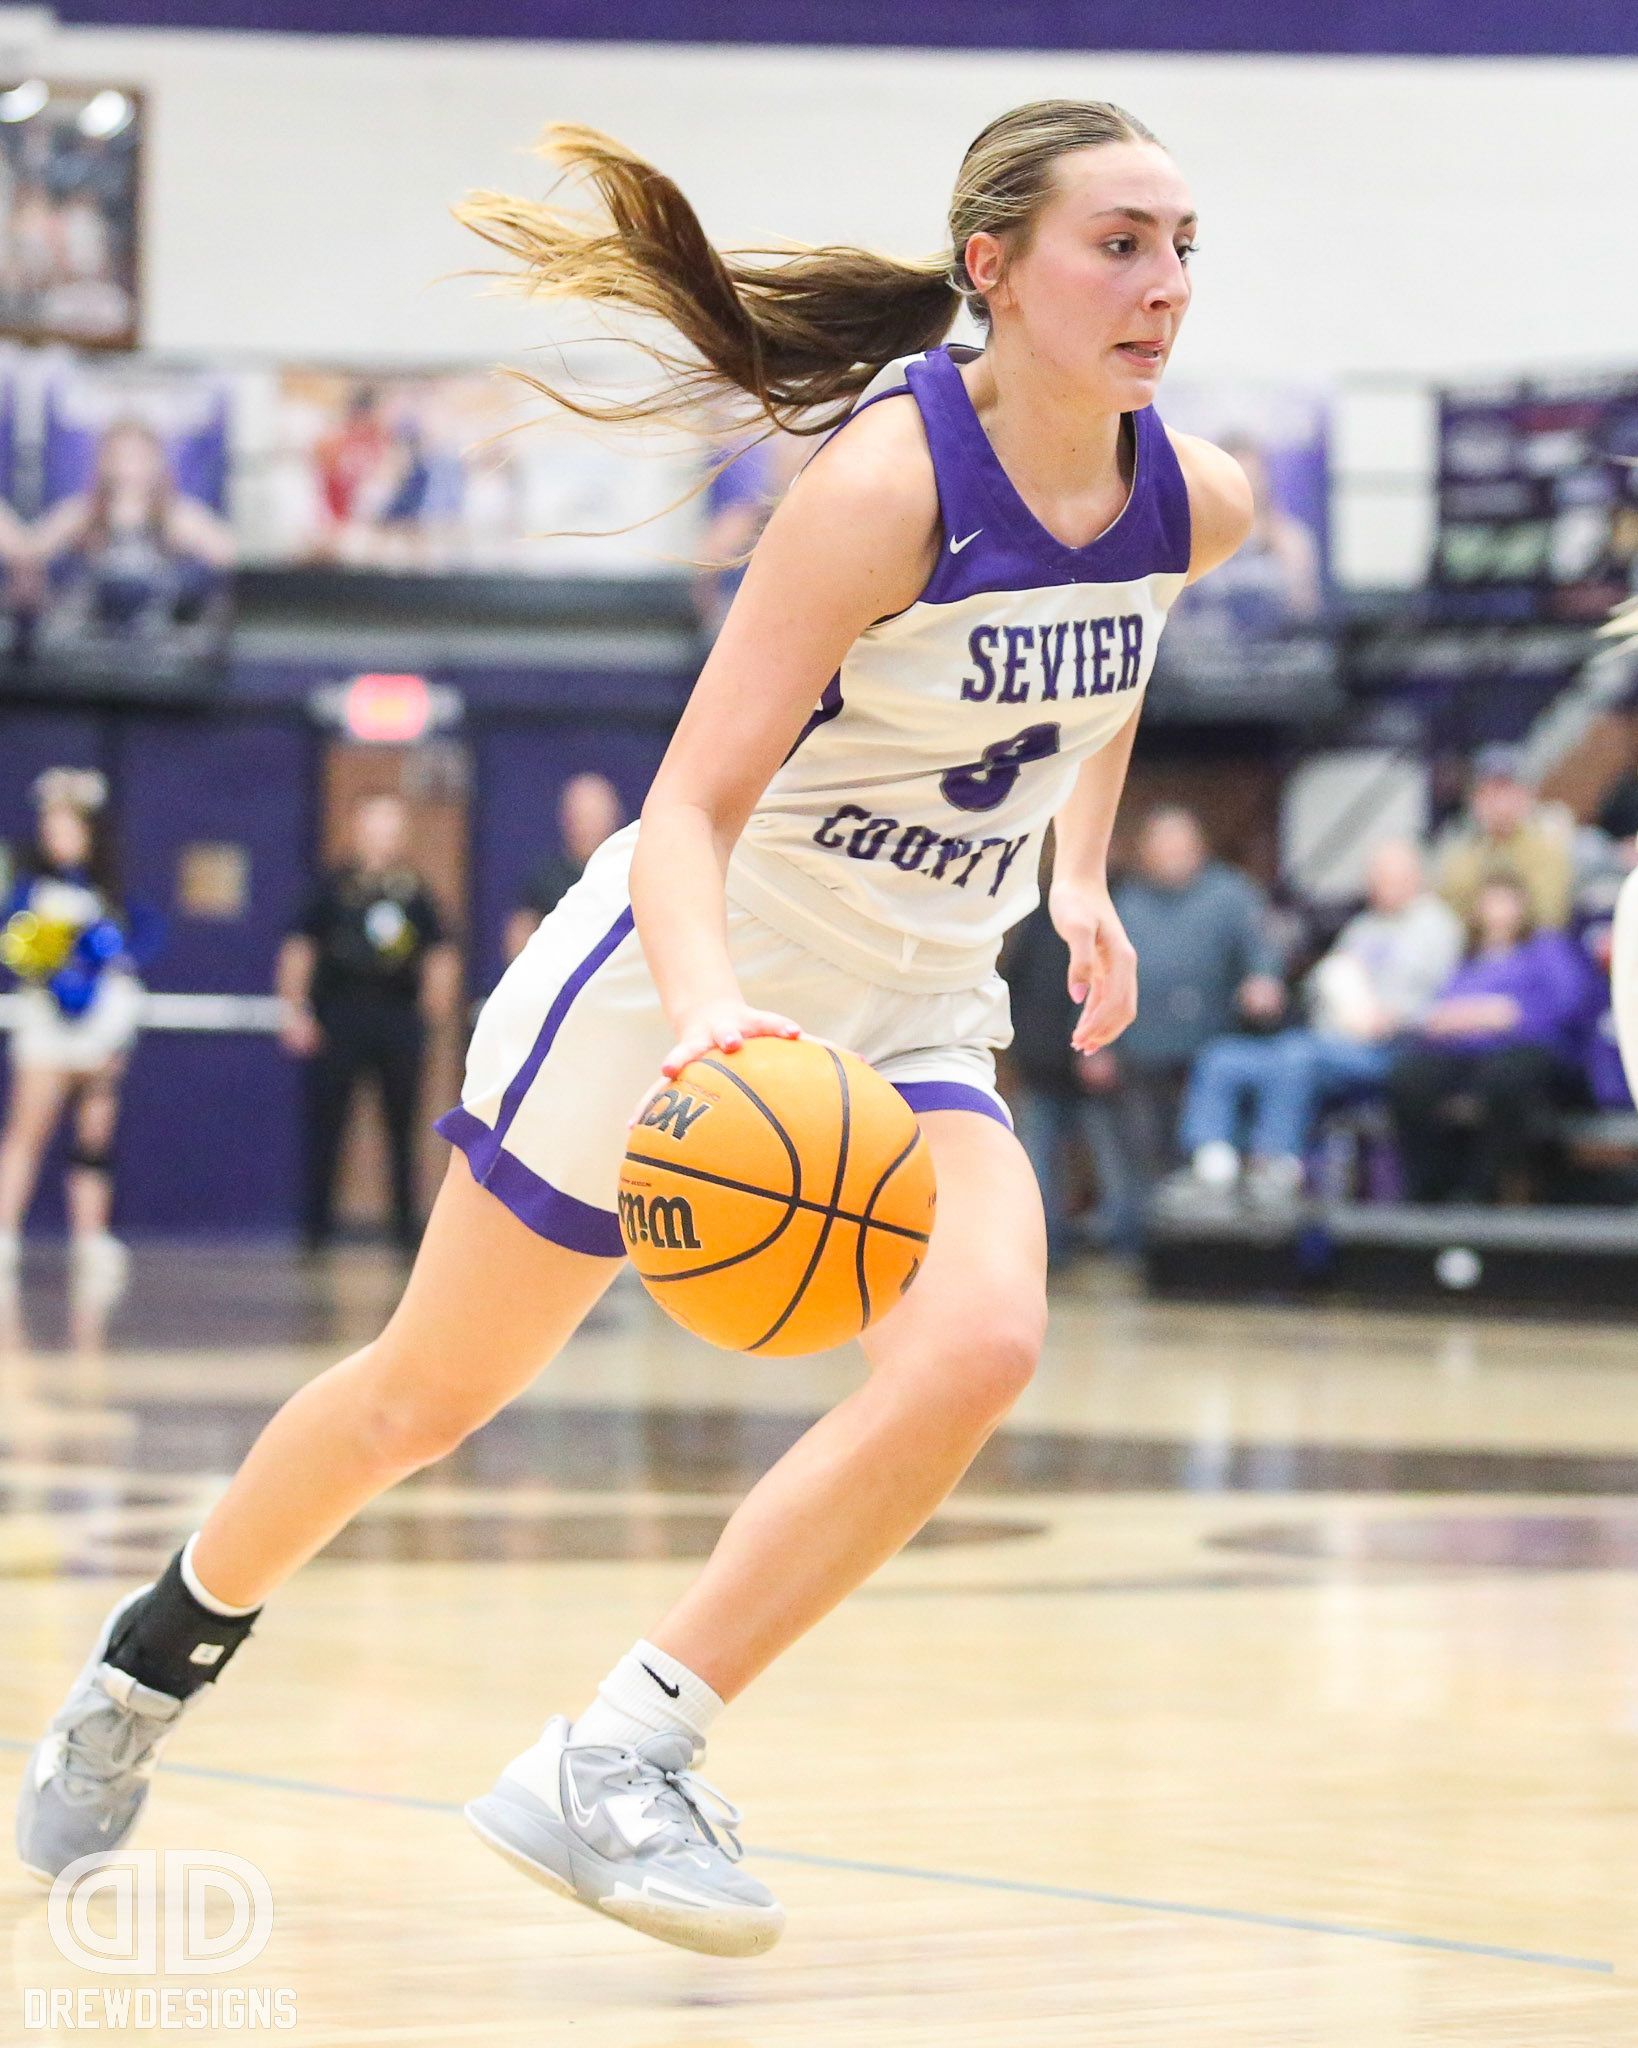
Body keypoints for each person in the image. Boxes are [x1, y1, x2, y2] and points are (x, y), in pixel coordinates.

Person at [19, 102, 1252, 1954]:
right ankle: (151, 1659)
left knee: (982, 1340)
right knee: (423, 1399)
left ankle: (623, 1747)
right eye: (1120, 243)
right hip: (687, 968)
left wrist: (1077, 871)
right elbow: (684, 809)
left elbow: (1110, 650)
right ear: (990, 267)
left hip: (916, 997)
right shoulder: (882, 487)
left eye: (1181, 247)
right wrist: (710, 1019)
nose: (1163, 284)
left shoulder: (1195, 497)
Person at [1178, 838, 1462, 1202]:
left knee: (1298, 1055)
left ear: (1416, 878)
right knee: (1224, 1056)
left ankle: (1276, 1166)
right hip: (1326, 1039)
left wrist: (1393, 1017)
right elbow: (1327, 980)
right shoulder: (1364, 926)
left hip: (1389, 1050)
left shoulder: (1436, 926)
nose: (1381, 887)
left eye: (1392, 878)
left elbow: (1446, 998)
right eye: (1376, 878)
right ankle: (1212, 1167)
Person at [277, 794, 460, 1252]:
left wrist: (432, 1013)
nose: (381, 837)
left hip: (396, 1017)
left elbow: (440, 954)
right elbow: (300, 948)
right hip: (339, 1016)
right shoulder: (332, 888)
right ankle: (316, 1229)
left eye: (390, 828)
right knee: (328, 1122)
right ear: (357, 831)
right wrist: (296, 1010)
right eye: (373, 826)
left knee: (403, 1124)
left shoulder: (415, 892)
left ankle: (404, 1228)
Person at [0, 767, 159, 1291]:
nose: (58, 837)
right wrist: (46, 961)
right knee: (27, 1129)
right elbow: (14, 942)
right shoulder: (28, 889)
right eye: (51, 827)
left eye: (69, 826)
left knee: (94, 1137)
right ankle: (5, 1233)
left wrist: (109, 953)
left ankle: (91, 1235)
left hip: (100, 1029)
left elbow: (143, 937)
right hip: (47, 1023)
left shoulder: (110, 893)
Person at [1103, 806, 1284, 1242]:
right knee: (1143, 1153)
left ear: (1199, 848)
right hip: (1139, 1052)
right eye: (1162, 847)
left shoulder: (1231, 894)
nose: (1172, 856)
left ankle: (1206, 1246)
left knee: (1204, 1153)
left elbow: (1261, 951)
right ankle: (1147, 1246)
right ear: (1145, 853)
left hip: (1208, 1054)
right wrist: (1095, 1044)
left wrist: (1264, 980)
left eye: (1180, 847)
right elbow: (1096, 973)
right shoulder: (1124, 901)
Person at [1387, 871, 1596, 1203]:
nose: (1498, 911)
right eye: (1490, 902)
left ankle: (1484, 1190)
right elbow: (1442, 1006)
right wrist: (1452, 1019)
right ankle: (1428, 1189)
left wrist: (1511, 1014)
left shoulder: (1546, 948)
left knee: (1504, 1079)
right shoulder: (1468, 958)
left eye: (1505, 901)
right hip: (1464, 1049)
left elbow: (1570, 1001)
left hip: (1529, 1047)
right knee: (1410, 1077)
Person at [1001, 900, 1132, 1263]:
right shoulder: (1041, 921)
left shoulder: (1108, 914)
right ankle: (1051, 1244)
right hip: (1045, 1065)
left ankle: (1120, 1242)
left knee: (1105, 1157)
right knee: (1043, 1160)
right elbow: (1013, 985)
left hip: (1081, 1067)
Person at [1435, 743, 1573, 932]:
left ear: (1524, 797)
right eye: (1491, 793)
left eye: (1508, 792)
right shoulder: (1461, 855)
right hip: (1474, 945)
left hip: (1531, 945)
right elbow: (1447, 911)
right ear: (1475, 800)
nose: (1500, 804)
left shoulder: (1547, 852)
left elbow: (1550, 914)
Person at [503, 770, 624, 962]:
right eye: (582, 817)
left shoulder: (628, 876)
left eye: (595, 817)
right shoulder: (544, 880)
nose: (588, 827)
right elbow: (519, 940)